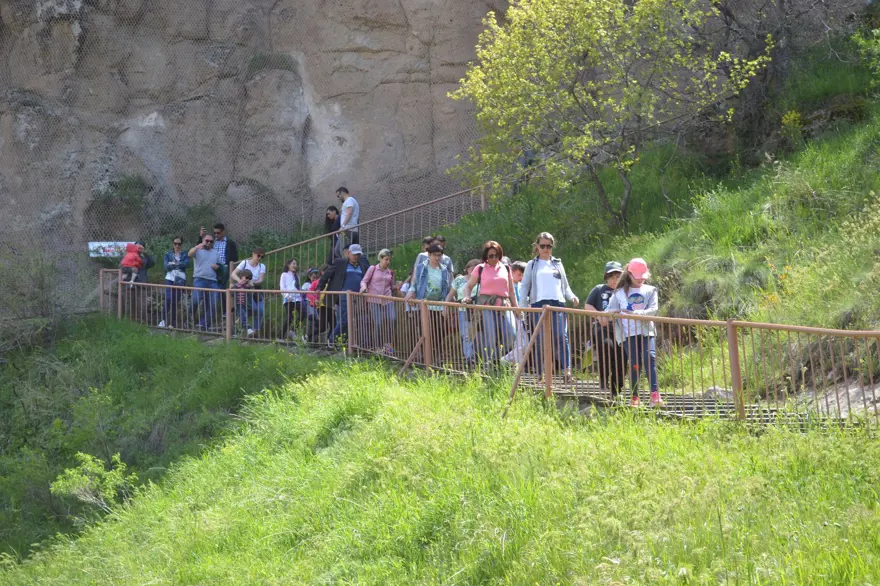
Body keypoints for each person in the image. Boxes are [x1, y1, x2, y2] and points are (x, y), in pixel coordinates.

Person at [519, 232, 579, 382]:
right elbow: (525, 286)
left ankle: (567, 371)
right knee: (540, 339)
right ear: (537, 247)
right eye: (543, 246)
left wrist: (572, 297)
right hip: (538, 304)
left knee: (560, 336)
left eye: (549, 246)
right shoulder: (532, 265)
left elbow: (565, 286)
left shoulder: (557, 263)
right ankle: (540, 373)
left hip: (557, 304)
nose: (546, 249)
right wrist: (523, 306)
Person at [606, 258, 662, 407]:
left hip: (646, 331)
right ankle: (635, 397)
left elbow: (653, 310)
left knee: (649, 358)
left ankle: (655, 396)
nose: (640, 281)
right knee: (635, 363)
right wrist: (617, 312)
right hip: (627, 333)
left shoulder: (650, 290)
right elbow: (608, 311)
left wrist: (638, 314)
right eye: (637, 278)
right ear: (629, 274)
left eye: (642, 277)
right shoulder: (619, 293)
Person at [462, 241, 519, 364]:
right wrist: (466, 297)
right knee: (490, 338)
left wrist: (517, 308)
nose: (494, 258)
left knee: (512, 335)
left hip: (504, 306)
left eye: (497, 255)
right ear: (485, 256)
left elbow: (511, 291)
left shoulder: (506, 268)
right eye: (490, 256)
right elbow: (468, 286)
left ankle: (497, 360)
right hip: (486, 307)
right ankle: (487, 364)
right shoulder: (480, 268)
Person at [406, 244, 454, 362]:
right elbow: (415, 283)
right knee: (426, 330)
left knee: (440, 330)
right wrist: (410, 293)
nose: (437, 258)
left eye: (439, 255)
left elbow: (447, 287)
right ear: (429, 255)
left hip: (439, 305)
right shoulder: (421, 267)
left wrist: (448, 303)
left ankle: (434, 353)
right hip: (424, 304)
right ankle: (427, 356)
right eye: (434, 255)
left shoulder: (444, 270)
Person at [585, 261, 626, 398]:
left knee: (620, 354)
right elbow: (588, 306)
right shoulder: (599, 289)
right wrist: (599, 316)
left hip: (620, 329)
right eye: (611, 276)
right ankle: (603, 379)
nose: (615, 280)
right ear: (606, 277)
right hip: (601, 327)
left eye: (618, 276)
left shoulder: (624, 291)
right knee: (606, 346)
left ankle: (617, 387)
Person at [318, 243, 370, 347]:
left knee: (354, 320)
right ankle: (332, 339)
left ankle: (347, 342)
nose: (356, 256)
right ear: (348, 253)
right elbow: (328, 274)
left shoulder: (364, 266)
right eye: (354, 254)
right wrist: (320, 287)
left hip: (358, 297)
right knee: (346, 319)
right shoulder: (340, 263)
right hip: (344, 295)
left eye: (358, 254)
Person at [360, 249, 397, 354]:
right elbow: (364, 281)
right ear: (380, 258)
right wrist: (363, 288)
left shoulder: (390, 272)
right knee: (378, 322)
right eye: (386, 259)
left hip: (387, 298)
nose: (388, 262)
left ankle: (388, 344)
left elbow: (391, 287)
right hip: (374, 299)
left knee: (392, 318)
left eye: (389, 260)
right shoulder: (373, 269)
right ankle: (378, 346)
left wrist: (398, 286)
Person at [446, 258, 481, 365]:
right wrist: (445, 307)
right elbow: (450, 295)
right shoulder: (459, 280)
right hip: (464, 310)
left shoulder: (481, 280)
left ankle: (478, 356)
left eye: (476, 267)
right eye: (471, 266)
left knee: (478, 333)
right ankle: (469, 357)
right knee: (466, 334)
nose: (473, 268)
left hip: (478, 310)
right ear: (467, 268)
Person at [188, 234, 221, 331]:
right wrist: (197, 247)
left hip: (213, 281)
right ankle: (189, 320)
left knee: (213, 303)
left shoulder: (215, 253)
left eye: (211, 241)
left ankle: (205, 325)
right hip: (199, 279)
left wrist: (217, 267)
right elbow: (189, 254)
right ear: (202, 241)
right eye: (207, 240)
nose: (209, 243)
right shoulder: (198, 251)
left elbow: (220, 265)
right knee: (195, 300)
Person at [231, 248, 267, 337]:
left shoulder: (262, 266)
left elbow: (261, 280)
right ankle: (244, 325)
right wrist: (240, 281)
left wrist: (252, 283)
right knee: (253, 309)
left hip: (256, 289)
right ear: (253, 254)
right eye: (258, 255)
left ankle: (255, 331)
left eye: (262, 257)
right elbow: (233, 274)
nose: (259, 258)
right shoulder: (245, 263)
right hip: (245, 290)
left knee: (261, 311)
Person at [158, 237, 189, 329]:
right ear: (173, 244)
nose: (177, 245)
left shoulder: (184, 254)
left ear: (181, 245)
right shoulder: (168, 253)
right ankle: (163, 320)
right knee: (168, 299)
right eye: (175, 243)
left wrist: (174, 264)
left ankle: (172, 323)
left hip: (180, 279)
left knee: (176, 301)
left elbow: (186, 264)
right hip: (170, 278)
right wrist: (178, 264)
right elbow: (166, 266)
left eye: (179, 244)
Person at [280, 259, 304, 341]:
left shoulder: (297, 276)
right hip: (289, 299)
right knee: (289, 317)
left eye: (296, 264)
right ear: (288, 265)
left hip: (297, 298)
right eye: (293, 264)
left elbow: (298, 288)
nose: (295, 265)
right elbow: (282, 287)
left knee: (303, 313)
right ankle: (280, 336)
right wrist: (287, 296)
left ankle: (293, 330)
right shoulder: (284, 275)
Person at [337, 186, 360, 251]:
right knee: (350, 251)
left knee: (341, 251)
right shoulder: (352, 200)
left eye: (338, 196)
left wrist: (343, 226)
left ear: (342, 193)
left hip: (348, 230)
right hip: (352, 229)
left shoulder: (349, 200)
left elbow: (349, 213)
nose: (338, 198)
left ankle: (347, 261)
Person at [232, 269, 254, 335]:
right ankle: (248, 328)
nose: (247, 279)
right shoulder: (236, 285)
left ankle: (237, 332)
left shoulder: (248, 286)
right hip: (238, 304)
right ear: (242, 276)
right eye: (246, 277)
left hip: (246, 304)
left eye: (249, 278)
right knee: (242, 316)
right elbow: (232, 293)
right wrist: (235, 286)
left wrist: (250, 285)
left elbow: (252, 292)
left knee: (241, 318)